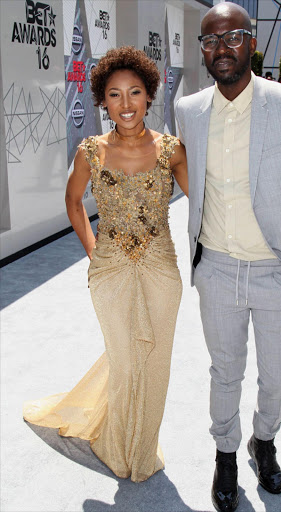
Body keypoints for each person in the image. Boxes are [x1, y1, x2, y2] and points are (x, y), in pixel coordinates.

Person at [175, 3, 281, 511]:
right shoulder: (189, 111)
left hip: (276, 272)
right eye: (210, 40)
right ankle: (225, 454)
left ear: (252, 42)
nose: (221, 48)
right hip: (216, 268)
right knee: (224, 372)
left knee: (279, 375)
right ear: (203, 50)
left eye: (232, 37)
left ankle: (264, 441)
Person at [23, 46, 188, 482]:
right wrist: (95, 249)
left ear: (150, 96)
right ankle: (117, 445)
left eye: (135, 92)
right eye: (115, 95)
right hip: (110, 268)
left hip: (162, 267)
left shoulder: (172, 149)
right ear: (102, 101)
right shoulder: (90, 151)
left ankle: (143, 448)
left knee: (156, 361)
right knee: (125, 359)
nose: (126, 104)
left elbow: (207, 203)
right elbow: (73, 202)